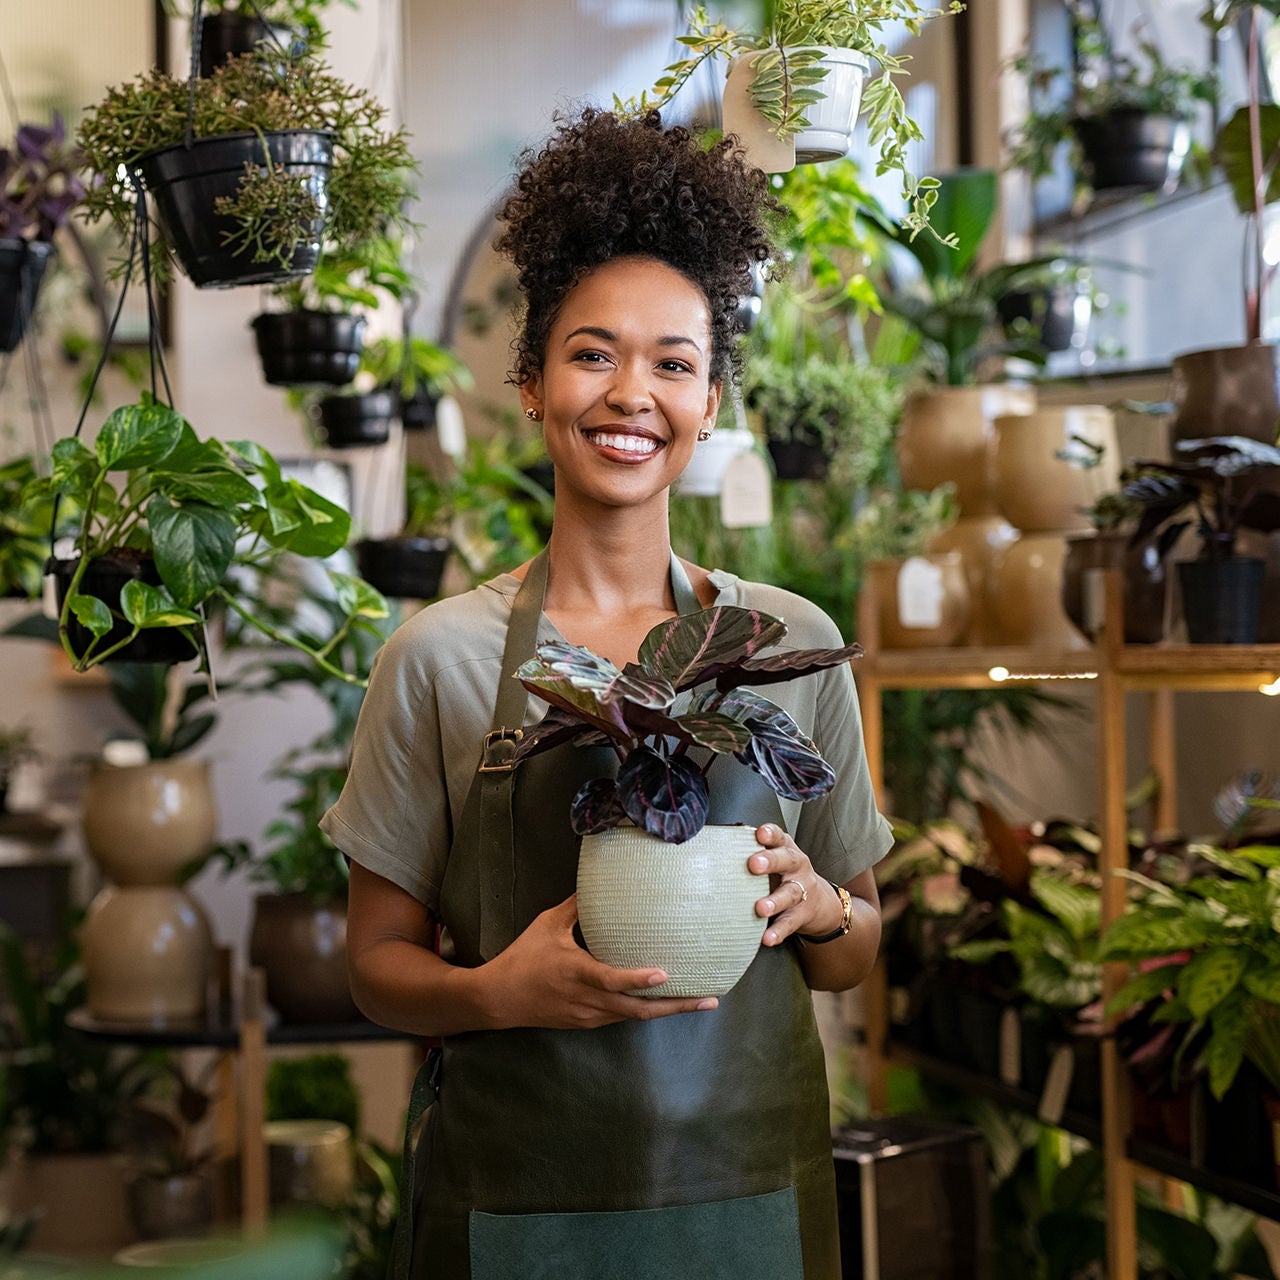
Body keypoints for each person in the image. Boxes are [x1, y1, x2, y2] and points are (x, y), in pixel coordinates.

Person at [321, 107, 895, 1280]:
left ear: (710, 405)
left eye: (672, 363)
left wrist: (819, 907)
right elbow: (376, 964)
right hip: (517, 1209)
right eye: (592, 353)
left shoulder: (787, 639)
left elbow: (853, 951)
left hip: (751, 1204)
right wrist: (497, 990)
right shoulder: (438, 656)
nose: (630, 393)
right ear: (531, 384)